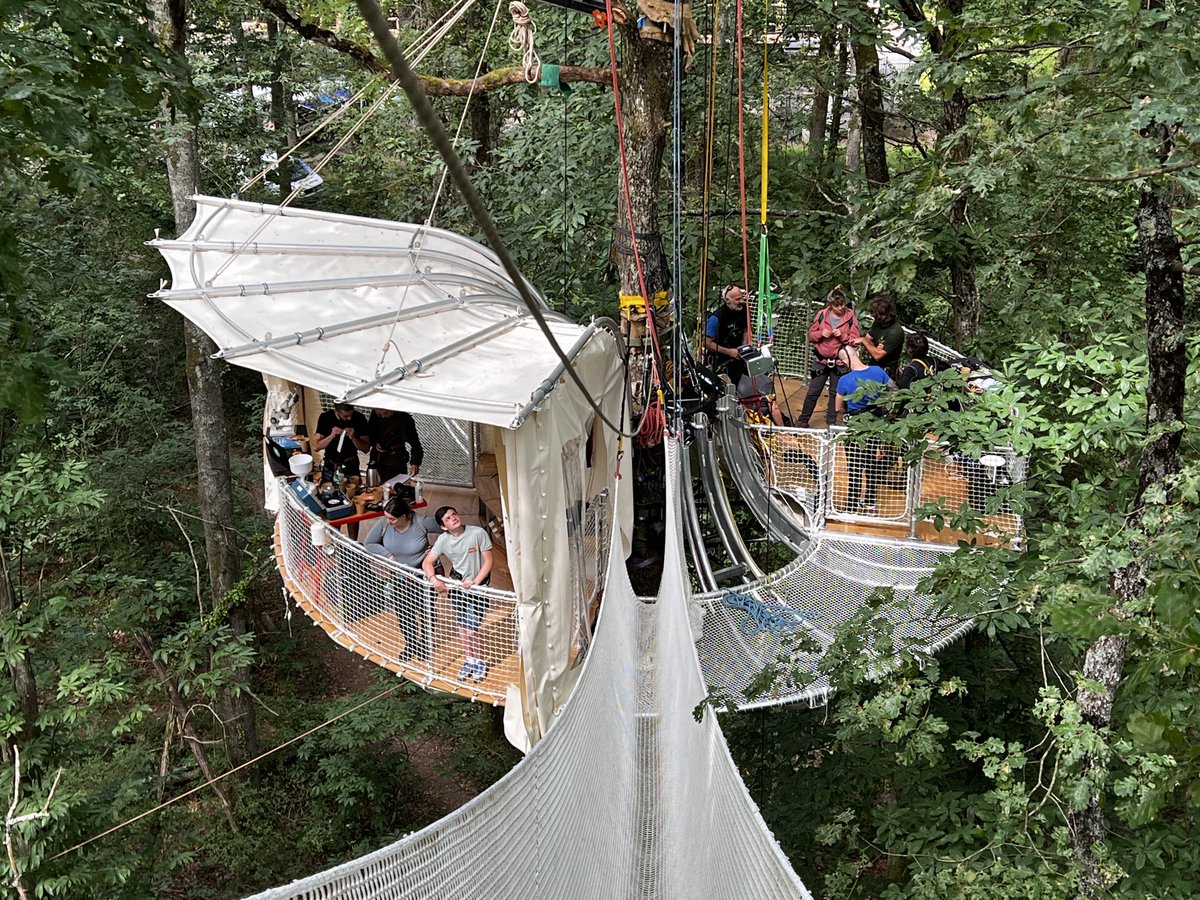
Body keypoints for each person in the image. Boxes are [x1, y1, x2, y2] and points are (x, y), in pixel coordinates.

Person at [422, 506, 494, 683]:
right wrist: (434, 580)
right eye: (448, 518)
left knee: (471, 629)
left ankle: (480, 661)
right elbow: (427, 562)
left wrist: (476, 582)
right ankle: (469, 659)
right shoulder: (443, 540)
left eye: (454, 514)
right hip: (457, 585)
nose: (453, 518)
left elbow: (489, 560)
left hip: (477, 587)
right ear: (443, 527)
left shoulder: (477, 533)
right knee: (462, 627)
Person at [364, 498, 440, 662]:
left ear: (404, 516)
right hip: (400, 577)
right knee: (404, 612)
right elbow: (369, 543)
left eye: (392, 519)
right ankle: (411, 644)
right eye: (387, 517)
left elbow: (447, 528)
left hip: (423, 575)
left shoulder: (421, 522)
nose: (388, 521)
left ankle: (425, 643)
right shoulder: (384, 524)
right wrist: (388, 555)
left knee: (426, 611)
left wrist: (437, 549)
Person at [835, 347, 894, 514]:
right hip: (876, 424)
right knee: (872, 465)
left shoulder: (844, 380)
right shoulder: (878, 371)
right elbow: (894, 390)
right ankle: (870, 502)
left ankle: (852, 505)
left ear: (843, 361)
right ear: (858, 354)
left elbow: (838, 407)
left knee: (854, 466)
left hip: (856, 426)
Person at [796, 285, 860, 429]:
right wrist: (821, 334)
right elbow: (811, 336)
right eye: (837, 305)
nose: (840, 308)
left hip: (840, 363)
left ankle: (831, 424)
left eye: (842, 304)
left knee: (835, 393)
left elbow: (855, 340)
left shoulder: (851, 317)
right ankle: (803, 420)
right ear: (831, 304)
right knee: (813, 391)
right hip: (821, 361)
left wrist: (843, 336)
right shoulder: (822, 315)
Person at [704, 284, 751, 384]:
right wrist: (730, 352)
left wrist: (744, 348)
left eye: (741, 298)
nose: (741, 301)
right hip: (719, 363)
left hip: (737, 360)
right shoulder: (715, 319)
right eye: (737, 299)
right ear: (727, 300)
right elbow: (707, 343)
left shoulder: (744, 311)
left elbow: (746, 330)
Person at [314, 402, 370, 480]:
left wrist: (354, 437)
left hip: (351, 465)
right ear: (337, 411)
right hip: (330, 465)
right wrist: (331, 436)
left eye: (351, 414)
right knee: (327, 487)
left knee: (353, 487)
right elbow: (316, 447)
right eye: (346, 416)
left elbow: (366, 449)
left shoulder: (359, 418)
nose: (349, 418)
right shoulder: (325, 417)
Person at [854, 294, 904, 378]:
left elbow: (877, 355)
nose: (875, 319)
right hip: (873, 365)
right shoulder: (878, 323)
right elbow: (868, 338)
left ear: (884, 316)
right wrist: (874, 348)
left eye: (876, 317)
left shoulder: (895, 332)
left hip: (886, 371)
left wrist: (864, 341)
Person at [368, 407, 424, 482]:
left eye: (385, 413)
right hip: (377, 459)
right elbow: (369, 434)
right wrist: (374, 443)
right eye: (379, 414)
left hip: (396, 460)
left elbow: (415, 444)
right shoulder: (375, 414)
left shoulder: (404, 419)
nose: (383, 416)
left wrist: (415, 463)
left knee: (396, 485)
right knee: (375, 485)